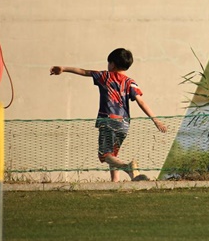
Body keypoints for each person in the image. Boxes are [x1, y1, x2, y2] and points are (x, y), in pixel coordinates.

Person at [50, 48, 167, 182]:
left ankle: (128, 168)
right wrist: (156, 120)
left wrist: (64, 69)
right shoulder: (130, 82)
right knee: (113, 154)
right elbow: (141, 102)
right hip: (124, 124)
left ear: (112, 64)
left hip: (108, 121)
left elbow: (83, 72)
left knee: (104, 155)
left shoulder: (105, 76)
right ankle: (115, 182)